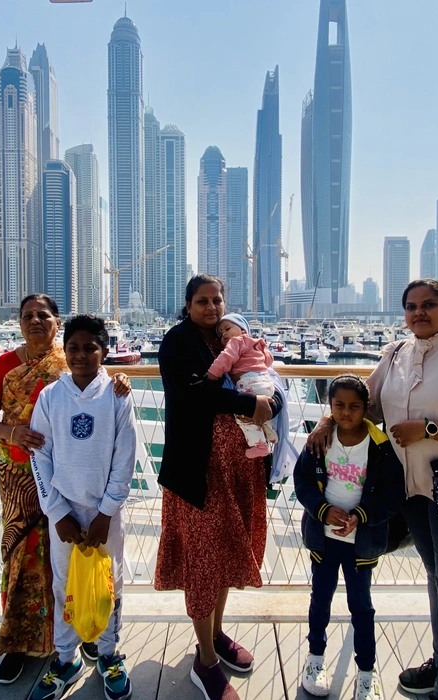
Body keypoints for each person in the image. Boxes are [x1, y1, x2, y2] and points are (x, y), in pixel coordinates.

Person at [307, 279, 438, 700]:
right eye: (412, 306)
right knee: (436, 581)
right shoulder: (397, 355)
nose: (420, 312)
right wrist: (328, 421)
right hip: (411, 491)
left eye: (429, 305)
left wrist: (433, 429)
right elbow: (366, 403)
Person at [0, 295, 130, 685]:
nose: (35, 321)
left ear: (56, 322)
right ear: (18, 321)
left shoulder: (97, 381)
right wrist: (56, 508)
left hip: (94, 502)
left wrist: (106, 509)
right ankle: (33, 648)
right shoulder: (21, 375)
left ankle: (98, 641)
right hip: (28, 483)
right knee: (34, 567)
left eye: (43, 315)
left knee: (101, 575)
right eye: (27, 315)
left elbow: (121, 446)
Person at [154, 275, 285, 700]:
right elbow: (192, 392)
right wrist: (249, 405)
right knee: (202, 563)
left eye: (217, 300)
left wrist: (271, 403)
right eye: (202, 301)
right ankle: (205, 658)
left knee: (227, 553)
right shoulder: (178, 342)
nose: (211, 308)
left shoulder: (236, 336)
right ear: (188, 304)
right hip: (198, 474)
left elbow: (267, 380)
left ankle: (217, 632)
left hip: (238, 471)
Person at [28, 314, 136, 700]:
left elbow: (125, 458)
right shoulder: (50, 397)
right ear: (64, 350)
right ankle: (65, 658)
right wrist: (57, 513)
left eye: (90, 347)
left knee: (110, 585)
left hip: (105, 516)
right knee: (65, 585)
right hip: (65, 515)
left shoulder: (118, 396)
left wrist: (107, 512)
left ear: (104, 351)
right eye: (73, 347)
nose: (80, 354)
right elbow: (39, 456)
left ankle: (108, 654)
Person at [294, 375, 404, 700]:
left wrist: (362, 516)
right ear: (330, 408)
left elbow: (392, 494)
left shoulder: (381, 448)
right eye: (339, 406)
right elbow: (303, 481)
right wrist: (322, 509)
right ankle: (315, 660)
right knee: (320, 601)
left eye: (354, 406)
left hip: (362, 544)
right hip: (323, 540)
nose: (346, 413)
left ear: (366, 408)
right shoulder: (320, 442)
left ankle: (366, 674)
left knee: (362, 608)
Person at [205, 312, 277, 457]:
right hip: (266, 382)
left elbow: (225, 359)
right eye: (220, 333)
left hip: (249, 382)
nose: (223, 334)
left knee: (242, 416)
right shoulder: (257, 343)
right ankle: (271, 434)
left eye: (227, 329)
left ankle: (259, 445)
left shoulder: (236, 342)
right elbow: (268, 360)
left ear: (243, 330)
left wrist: (212, 374)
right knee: (263, 411)